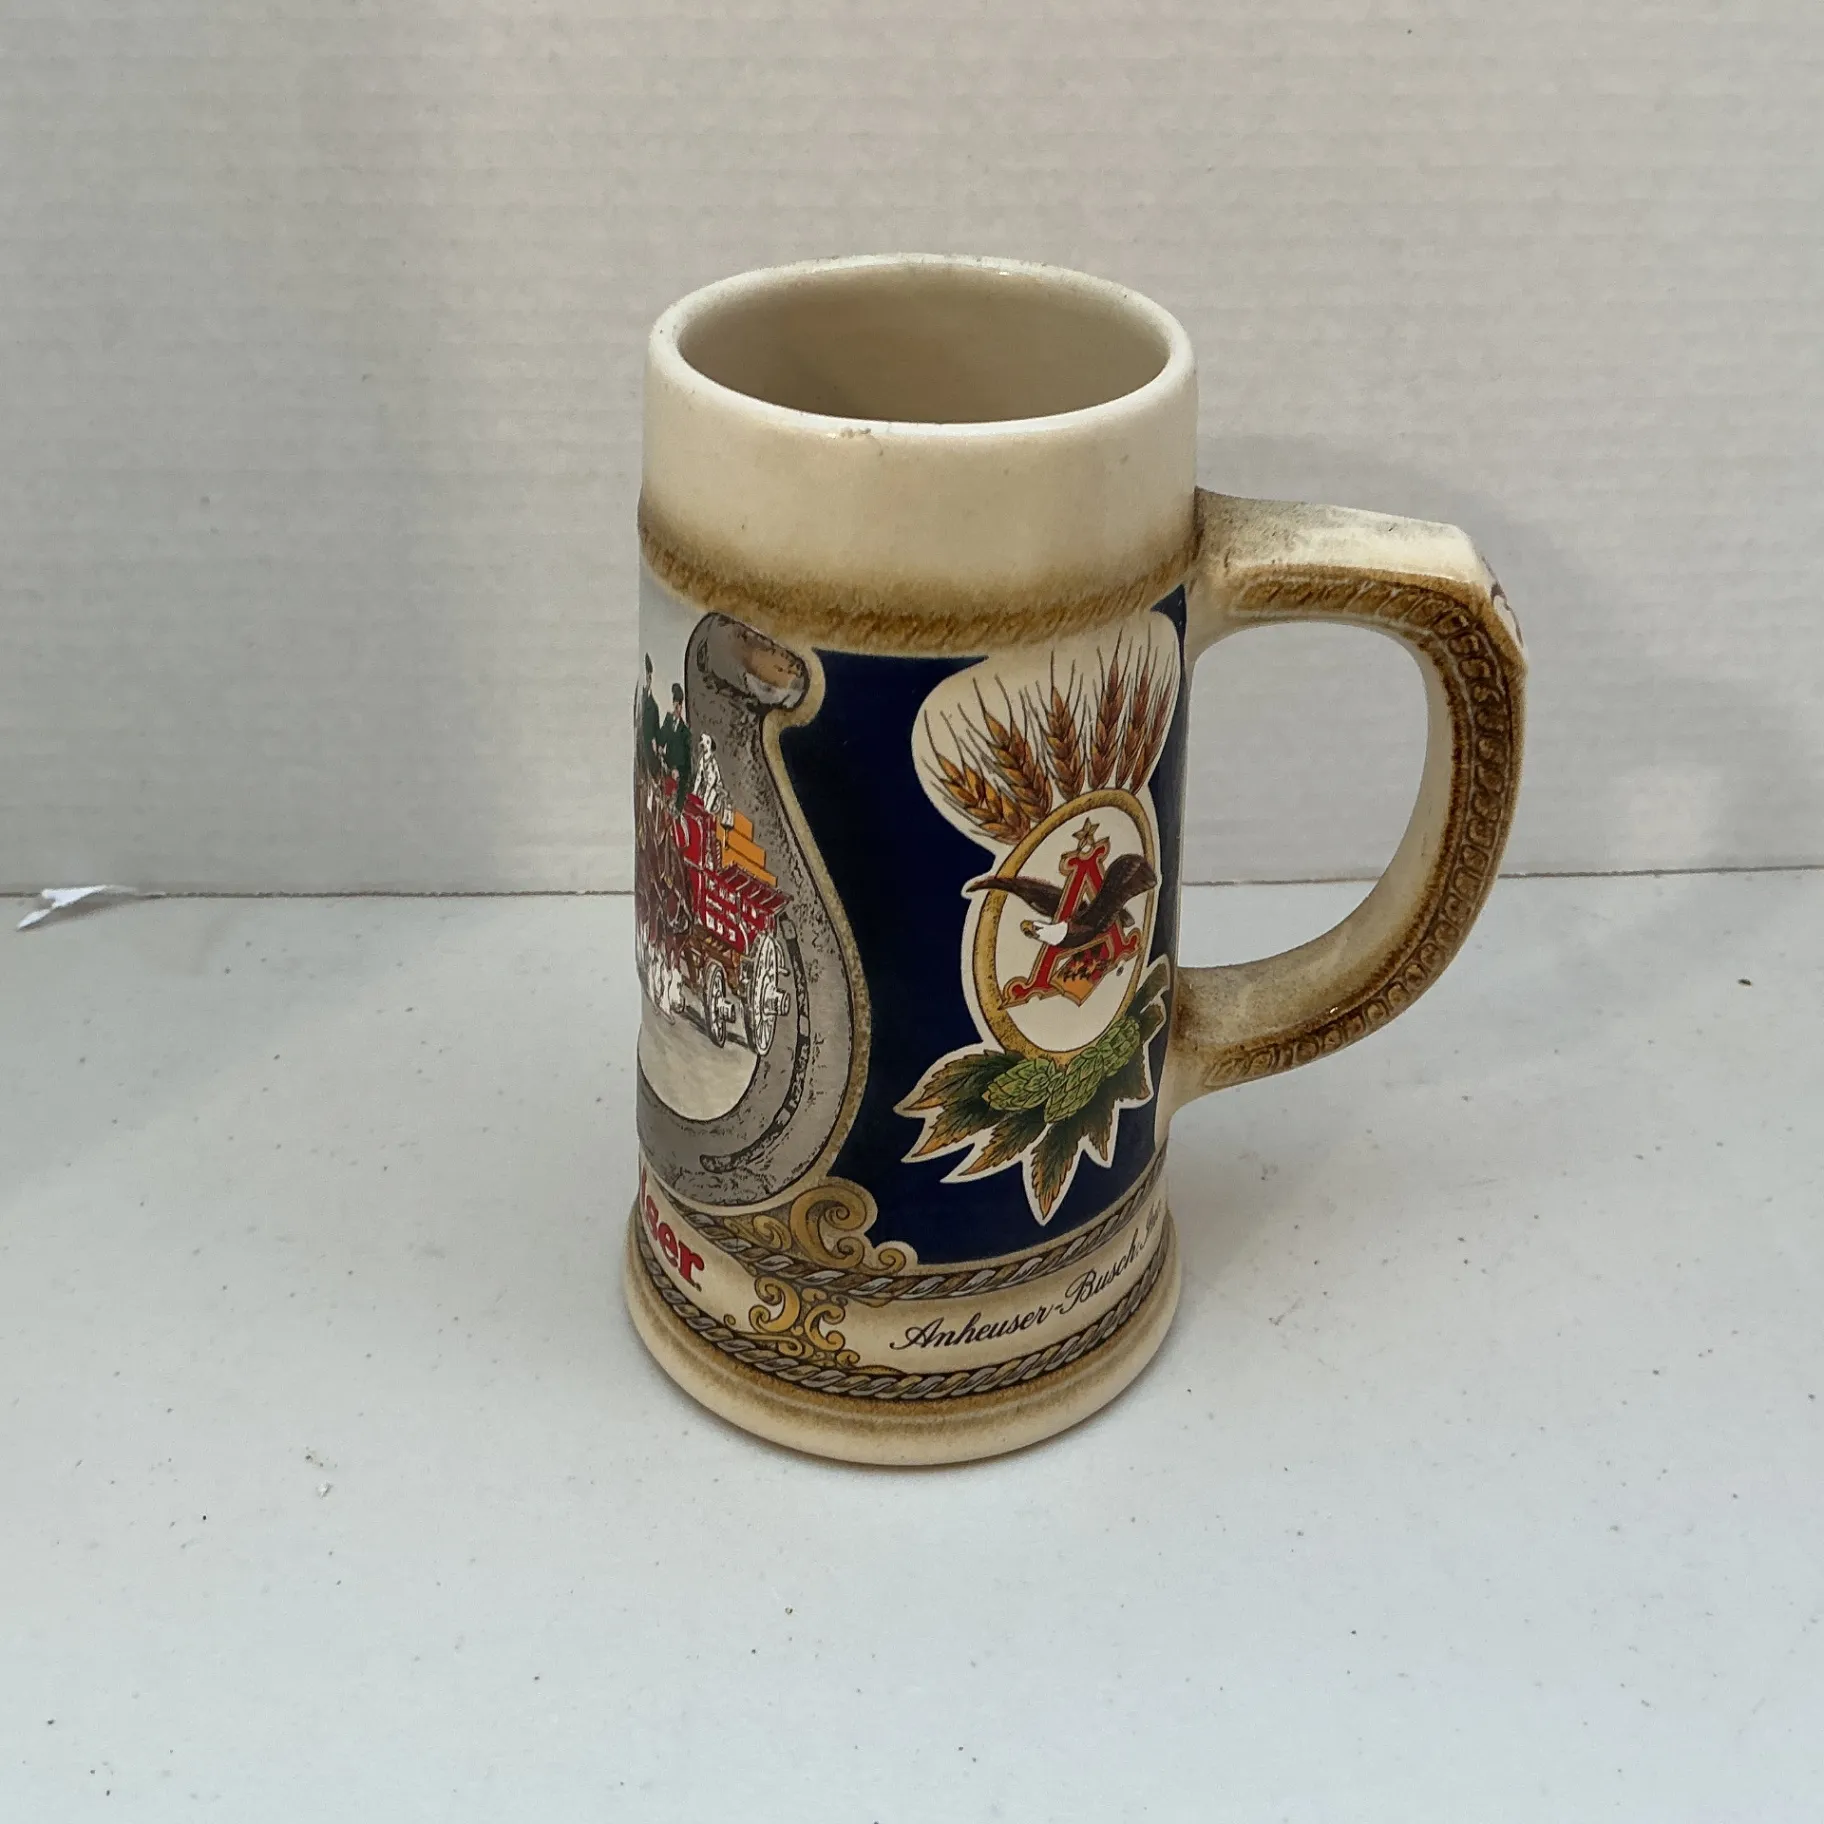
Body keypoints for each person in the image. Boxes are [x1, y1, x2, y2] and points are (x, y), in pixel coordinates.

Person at [659, 681, 694, 806]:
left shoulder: (685, 732)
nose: (677, 709)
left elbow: (685, 759)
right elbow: (661, 739)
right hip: (666, 766)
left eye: (679, 706)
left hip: (677, 773)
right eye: (675, 705)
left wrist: (677, 770)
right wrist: (659, 747)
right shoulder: (668, 722)